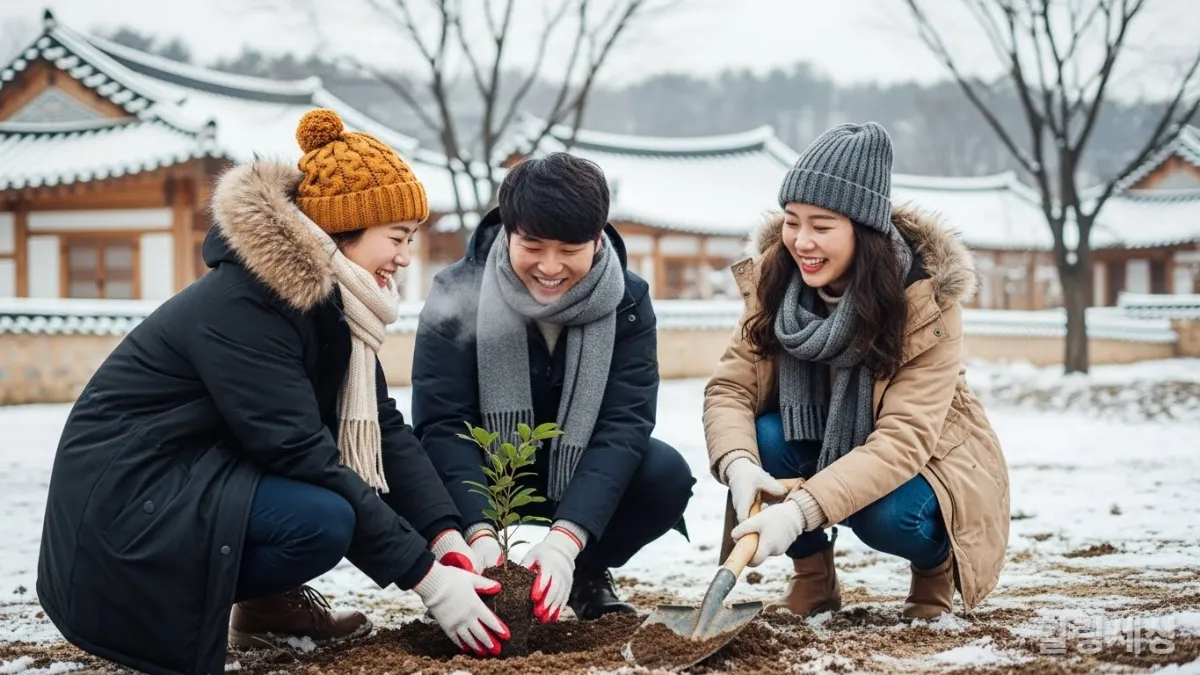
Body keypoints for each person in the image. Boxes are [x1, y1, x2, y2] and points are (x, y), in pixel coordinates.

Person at [37, 109, 512, 675]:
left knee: (324, 512)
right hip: (127, 505)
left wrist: (445, 536)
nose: (406, 256)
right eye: (397, 238)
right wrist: (428, 581)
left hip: (197, 473)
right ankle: (218, 604)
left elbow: (379, 427)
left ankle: (264, 608)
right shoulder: (247, 304)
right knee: (320, 520)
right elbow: (299, 451)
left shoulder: (334, 305)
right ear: (344, 228)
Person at [703, 122, 1010, 620]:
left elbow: (903, 441)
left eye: (822, 226)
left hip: (925, 460)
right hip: (821, 437)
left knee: (885, 515)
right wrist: (739, 464)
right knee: (763, 437)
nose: (801, 241)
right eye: (792, 221)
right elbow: (730, 388)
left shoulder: (924, 303)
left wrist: (797, 513)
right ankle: (814, 580)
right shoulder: (776, 283)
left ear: (863, 233)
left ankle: (933, 567)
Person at [411, 152, 695, 623]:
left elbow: (624, 423)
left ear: (598, 238)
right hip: (487, 463)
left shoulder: (627, 301)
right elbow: (442, 422)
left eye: (569, 249)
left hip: (576, 464)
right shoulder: (456, 291)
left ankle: (583, 572)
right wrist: (479, 533)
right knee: (409, 463)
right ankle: (463, 576)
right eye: (533, 245)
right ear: (507, 231)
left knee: (663, 474)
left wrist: (565, 543)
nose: (550, 266)